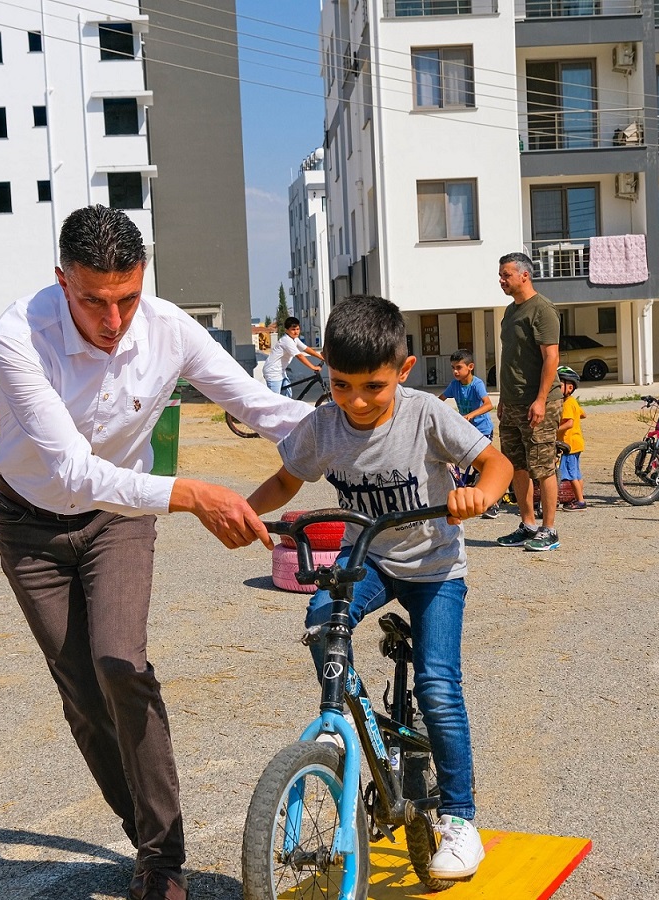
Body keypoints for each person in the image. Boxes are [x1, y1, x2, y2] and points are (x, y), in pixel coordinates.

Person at [0, 206, 311, 900]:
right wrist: (192, 493)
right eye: (93, 301)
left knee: (119, 663)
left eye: (127, 298)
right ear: (61, 281)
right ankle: (146, 835)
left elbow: (258, 405)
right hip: (29, 528)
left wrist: (366, 427)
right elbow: (73, 471)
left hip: (119, 519)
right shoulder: (18, 336)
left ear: (144, 280)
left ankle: (163, 861)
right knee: (80, 691)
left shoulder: (168, 328)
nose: (113, 320)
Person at [247, 294, 513, 883]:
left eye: (373, 387)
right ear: (325, 374)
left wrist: (482, 495)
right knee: (322, 621)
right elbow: (287, 478)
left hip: (435, 568)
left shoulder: (424, 414)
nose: (357, 402)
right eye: (341, 385)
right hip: (371, 559)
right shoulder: (323, 425)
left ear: (404, 371)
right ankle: (360, 723)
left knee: (439, 686)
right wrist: (244, 512)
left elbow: (499, 464)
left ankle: (459, 819)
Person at [493, 252, 562, 552]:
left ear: (524, 275)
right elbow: (511, 360)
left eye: (506, 274)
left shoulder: (543, 310)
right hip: (512, 403)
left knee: (542, 466)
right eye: (501, 275)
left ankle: (550, 530)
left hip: (538, 403)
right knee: (516, 466)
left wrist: (541, 400)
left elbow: (551, 358)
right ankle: (528, 524)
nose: (501, 280)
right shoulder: (510, 312)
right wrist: (503, 399)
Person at [441, 349, 499, 515]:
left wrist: (470, 415)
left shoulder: (477, 384)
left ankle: (492, 504)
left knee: (482, 467)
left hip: (482, 431)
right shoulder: (454, 385)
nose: (455, 371)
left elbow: (488, 404)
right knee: (456, 464)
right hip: (465, 431)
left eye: (458, 367)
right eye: (453, 367)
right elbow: (440, 400)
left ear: (470, 366)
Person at [261, 316, 323, 396]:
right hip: (273, 372)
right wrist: (313, 367)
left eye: (298, 329)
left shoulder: (294, 339)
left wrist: (321, 357)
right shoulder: (286, 341)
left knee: (287, 395)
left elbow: (306, 349)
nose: (296, 332)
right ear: (287, 330)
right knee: (274, 400)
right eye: (293, 330)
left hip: (281, 371)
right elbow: (299, 356)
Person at [556, 366, 587, 510]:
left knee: (570, 473)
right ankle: (579, 497)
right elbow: (583, 414)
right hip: (576, 442)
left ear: (569, 387)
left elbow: (569, 423)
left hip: (570, 444)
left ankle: (580, 501)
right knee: (577, 473)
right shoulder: (572, 402)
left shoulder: (568, 403)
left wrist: (554, 429)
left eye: (559, 384)